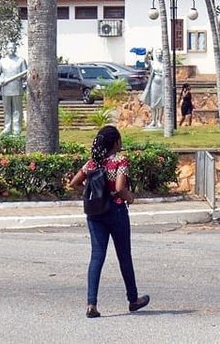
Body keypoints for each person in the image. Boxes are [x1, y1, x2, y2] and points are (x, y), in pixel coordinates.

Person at [66, 125, 150, 318]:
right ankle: (133, 299)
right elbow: (120, 188)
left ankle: (91, 304)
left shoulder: (92, 164)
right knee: (124, 256)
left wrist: (93, 194)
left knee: (97, 256)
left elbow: (74, 183)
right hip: (116, 211)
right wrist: (130, 198)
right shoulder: (120, 162)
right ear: (115, 143)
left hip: (95, 213)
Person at [0, 48, 27, 135]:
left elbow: (25, 74)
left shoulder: (21, 60)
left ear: (15, 49)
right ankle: (7, 128)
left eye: (12, 48)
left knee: (17, 110)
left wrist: (21, 77)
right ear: (7, 49)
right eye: (9, 48)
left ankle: (16, 129)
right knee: (7, 110)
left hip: (17, 88)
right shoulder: (2, 61)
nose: (11, 50)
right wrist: (1, 79)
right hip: (5, 88)